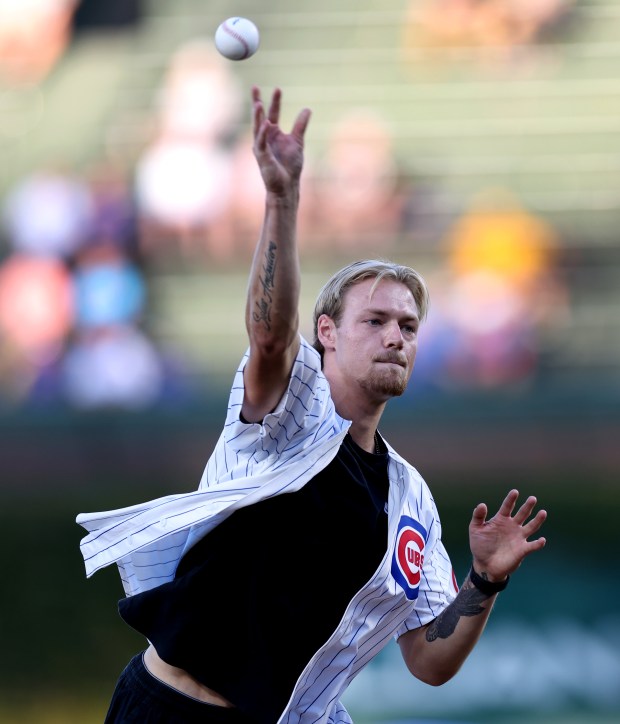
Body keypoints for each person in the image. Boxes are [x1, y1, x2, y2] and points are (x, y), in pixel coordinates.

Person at [77, 86, 547, 724]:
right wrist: (282, 197)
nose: (395, 336)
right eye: (376, 319)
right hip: (171, 709)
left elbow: (429, 661)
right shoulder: (290, 413)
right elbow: (270, 335)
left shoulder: (409, 499)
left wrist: (485, 581)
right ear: (326, 332)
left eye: (408, 327)